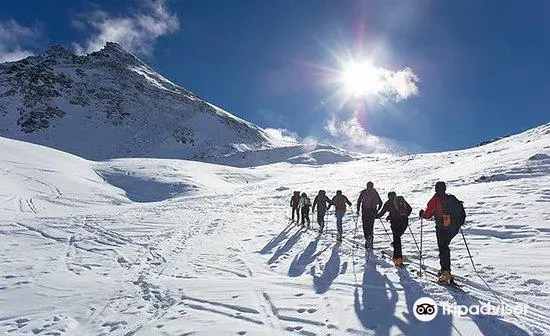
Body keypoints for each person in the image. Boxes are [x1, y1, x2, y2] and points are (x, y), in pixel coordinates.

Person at [419, 181, 466, 284]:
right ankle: (446, 271)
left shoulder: (435, 200)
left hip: (442, 228)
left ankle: (445, 274)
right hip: (454, 228)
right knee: (445, 247)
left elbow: (427, 215)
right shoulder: (452, 198)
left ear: (436, 189)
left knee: (443, 248)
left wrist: (422, 214)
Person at [376, 192, 412, 267]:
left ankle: (397, 260)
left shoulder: (388, 203)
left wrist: (376, 216)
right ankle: (397, 256)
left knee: (397, 240)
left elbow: (382, 213)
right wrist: (404, 215)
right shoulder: (401, 200)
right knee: (397, 238)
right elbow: (410, 209)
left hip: (395, 223)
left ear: (389, 197)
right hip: (404, 221)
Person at [356, 181, 383, 249]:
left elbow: (359, 201)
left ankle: (367, 239)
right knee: (371, 225)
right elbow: (380, 203)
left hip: (365, 211)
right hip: (373, 211)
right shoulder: (375, 192)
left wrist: (358, 209)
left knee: (365, 225)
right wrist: (377, 210)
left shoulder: (364, 192)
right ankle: (371, 239)